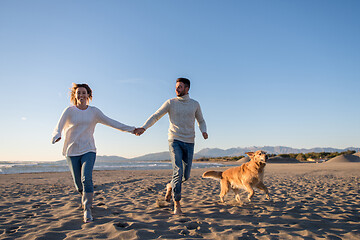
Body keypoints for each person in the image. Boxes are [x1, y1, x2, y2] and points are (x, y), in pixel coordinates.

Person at [52, 83, 136, 223]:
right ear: (75, 95)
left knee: (87, 179)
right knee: (79, 184)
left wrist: (132, 129)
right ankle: (84, 197)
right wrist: (56, 136)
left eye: (84, 93)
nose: (81, 95)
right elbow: (58, 127)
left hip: (88, 150)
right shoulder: (69, 111)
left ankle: (87, 209)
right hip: (71, 151)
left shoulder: (94, 112)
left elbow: (112, 122)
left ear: (88, 95)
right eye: (78, 93)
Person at [134, 78, 208, 215]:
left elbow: (201, 120)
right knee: (178, 170)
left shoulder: (195, 104)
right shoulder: (171, 103)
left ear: (187, 89)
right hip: (174, 140)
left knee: (185, 176)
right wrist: (144, 127)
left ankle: (170, 186)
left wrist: (203, 130)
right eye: (176, 87)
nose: (176, 89)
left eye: (180, 87)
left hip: (190, 141)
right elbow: (156, 116)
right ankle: (177, 204)